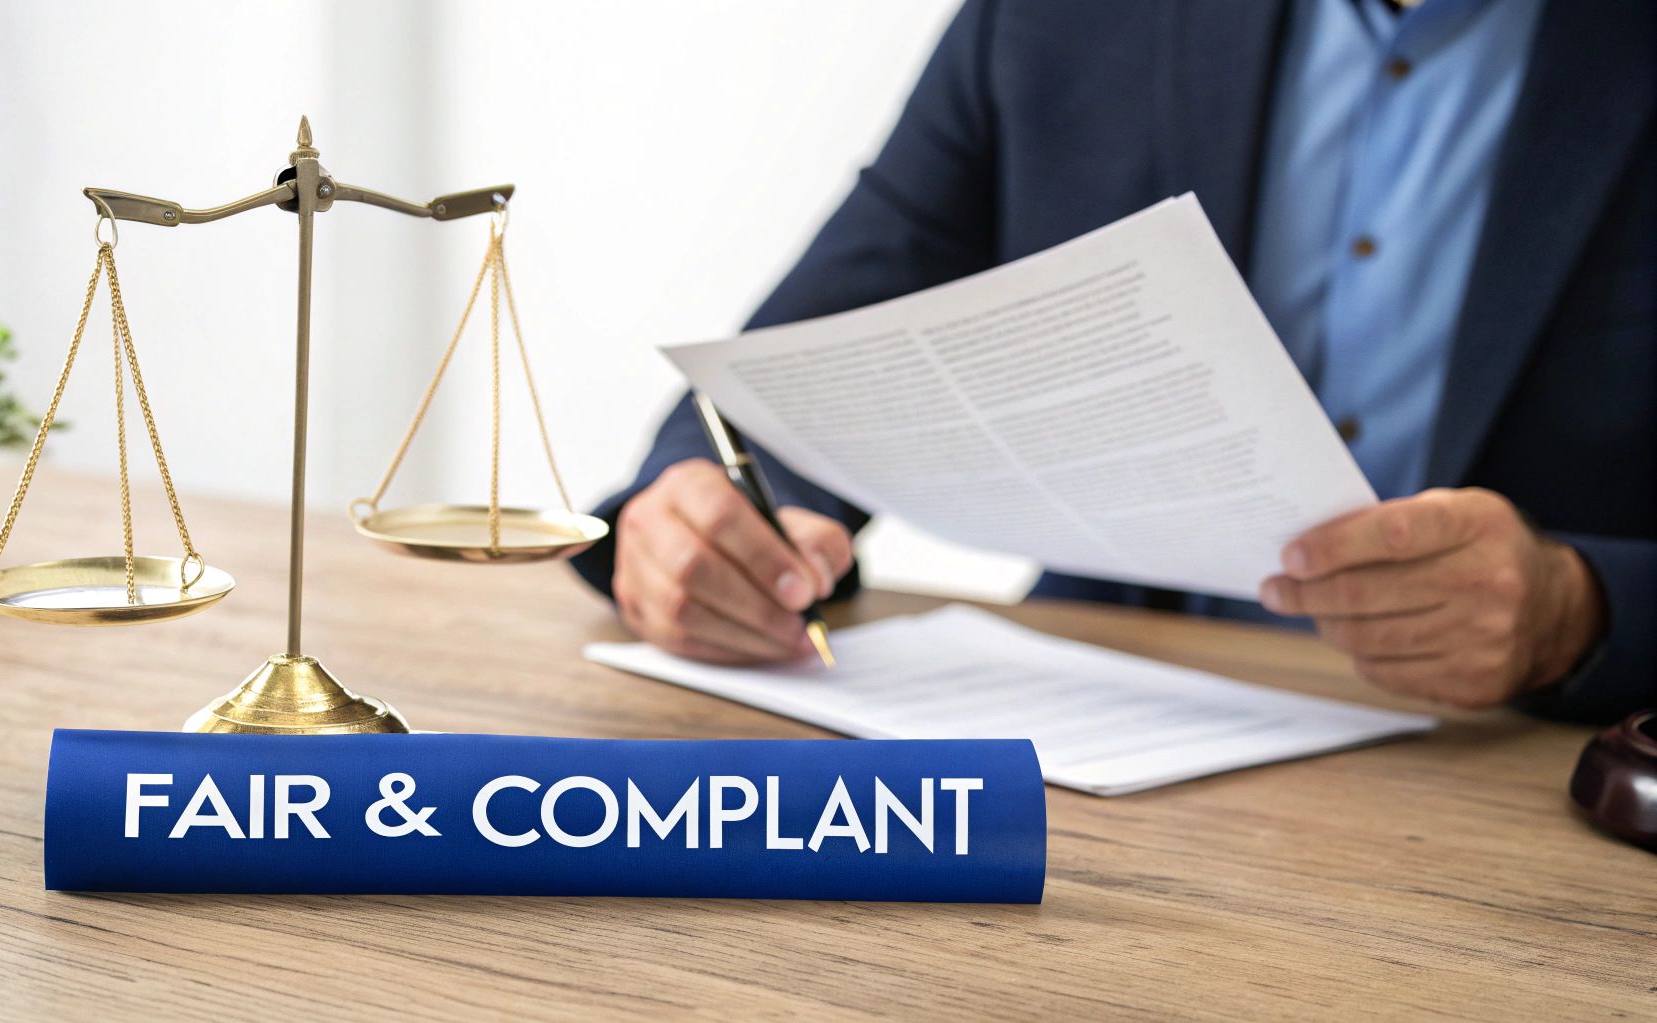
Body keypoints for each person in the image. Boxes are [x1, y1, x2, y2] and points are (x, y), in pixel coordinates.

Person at [571, 0, 1656, 724]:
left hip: (1521, 790)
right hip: (1116, 746)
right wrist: (696, 518)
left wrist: (1576, 608)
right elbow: (787, 382)